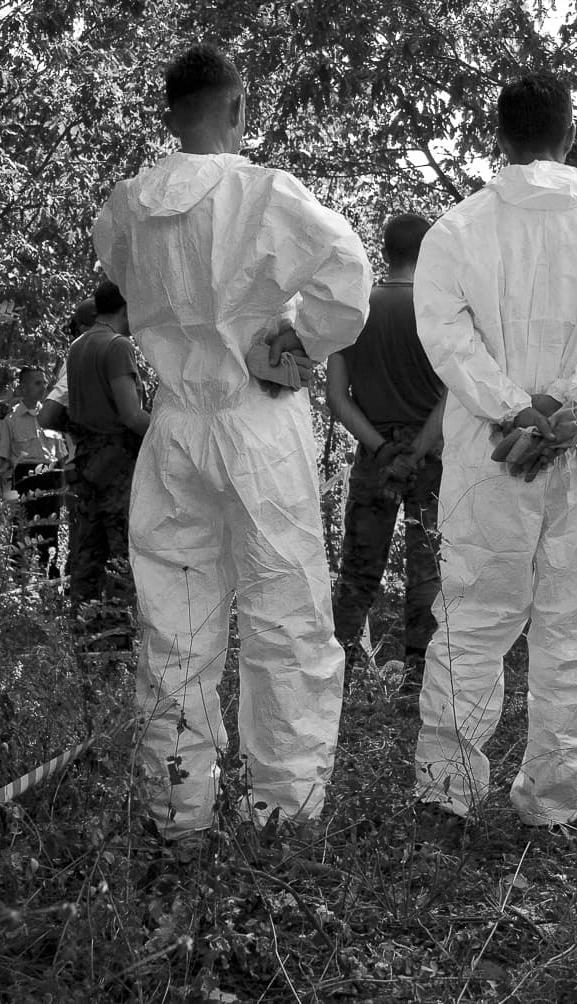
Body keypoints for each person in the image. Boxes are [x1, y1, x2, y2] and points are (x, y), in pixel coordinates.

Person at [91, 43, 372, 841]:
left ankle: (176, 812)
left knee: (174, 624)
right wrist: (297, 344)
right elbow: (347, 283)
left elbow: (126, 273)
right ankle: (287, 812)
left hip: (175, 424)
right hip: (257, 420)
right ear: (239, 107)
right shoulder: (266, 193)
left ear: (170, 113)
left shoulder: (127, 206)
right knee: (286, 617)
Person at [412, 72, 577, 834]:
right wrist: (566, 405)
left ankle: (446, 793)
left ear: (500, 136)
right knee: (576, 628)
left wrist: (514, 407)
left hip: (490, 452)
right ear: (570, 134)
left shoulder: (456, 231)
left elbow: (446, 338)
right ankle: (551, 806)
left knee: (472, 617)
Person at [328, 213, 446, 697]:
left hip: (374, 455)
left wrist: (381, 449)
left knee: (358, 568)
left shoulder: (355, 310)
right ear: (429, 251)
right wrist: (416, 452)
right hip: (431, 458)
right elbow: (454, 394)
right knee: (428, 566)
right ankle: (419, 682)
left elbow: (337, 398)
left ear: (384, 250)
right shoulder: (439, 310)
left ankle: (335, 675)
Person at [42, 282, 150, 649]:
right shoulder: (118, 346)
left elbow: (61, 413)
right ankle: (116, 648)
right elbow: (132, 415)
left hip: (84, 464)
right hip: (118, 467)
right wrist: (172, 432)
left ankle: (82, 644)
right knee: (122, 558)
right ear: (125, 307)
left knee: (86, 556)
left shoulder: (77, 347)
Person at [0, 365, 70, 576]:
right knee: (23, 528)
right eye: (37, 383)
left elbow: (62, 456)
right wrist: (7, 496)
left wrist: (64, 487)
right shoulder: (10, 420)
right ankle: (20, 576)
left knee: (50, 528)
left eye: (44, 383)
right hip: (25, 479)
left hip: (51, 478)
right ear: (23, 388)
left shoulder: (52, 417)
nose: (43, 387)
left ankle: (49, 576)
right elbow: (3, 462)